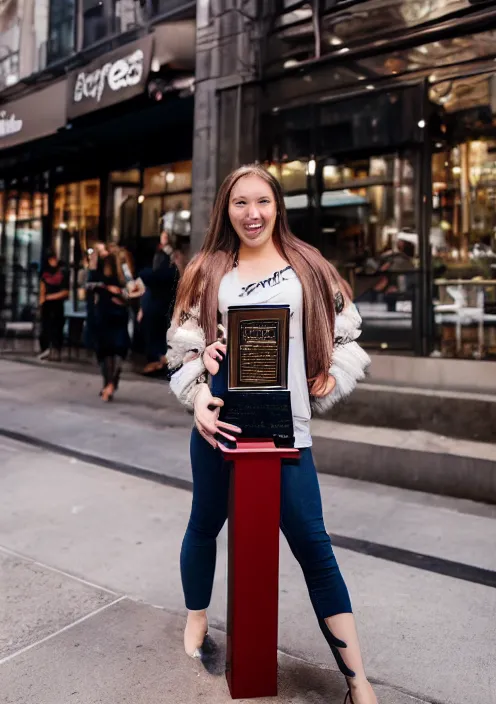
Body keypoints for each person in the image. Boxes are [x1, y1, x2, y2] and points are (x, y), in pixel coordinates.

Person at [166, 165, 374, 704]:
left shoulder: (309, 267)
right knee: (204, 523)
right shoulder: (207, 271)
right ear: (225, 210)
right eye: (240, 203)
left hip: (287, 433)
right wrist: (199, 391)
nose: (252, 213)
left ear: (278, 205)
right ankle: (196, 617)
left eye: (262, 201)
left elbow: (348, 337)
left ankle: (357, 679)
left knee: (314, 545)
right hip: (221, 427)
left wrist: (331, 372)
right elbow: (183, 352)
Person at [87, 243, 133, 402]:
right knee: (111, 349)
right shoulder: (115, 268)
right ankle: (109, 384)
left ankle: (110, 384)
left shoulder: (118, 267)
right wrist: (110, 289)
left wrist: (119, 292)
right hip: (107, 312)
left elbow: (133, 289)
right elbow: (91, 285)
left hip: (111, 312)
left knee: (112, 349)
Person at [137, 232, 180, 375]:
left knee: (156, 334)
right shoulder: (161, 256)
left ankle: (160, 362)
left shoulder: (169, 258)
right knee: (155, 334)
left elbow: (160, 276)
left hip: (161, 303)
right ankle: (159, 362)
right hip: (158, 302)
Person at [38, 250, 69, 361]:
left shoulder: (62, 273)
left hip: (57, 304)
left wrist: (49, 297)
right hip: (47, 305)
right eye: (51, 259)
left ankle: (56, 351)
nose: (53, 261)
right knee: (45, 328)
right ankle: (46, 350)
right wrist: (42, 301)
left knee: (57, 328)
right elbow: (42, 287)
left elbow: (65, 292)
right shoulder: (45, 273)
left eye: (54, 259)